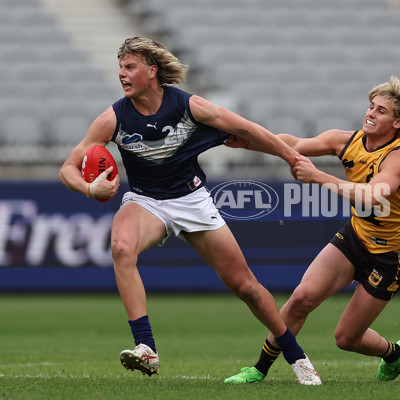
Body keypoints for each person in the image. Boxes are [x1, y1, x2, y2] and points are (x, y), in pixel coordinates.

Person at [58, 36, 321, 385]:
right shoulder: (113, 118)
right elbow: (68, 168)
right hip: (145, 201)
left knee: (246, 287)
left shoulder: (189, 106)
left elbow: (247, 130)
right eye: (120, 67)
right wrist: (90, 188)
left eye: (130, 66)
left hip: (192, 201)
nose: (122, 74)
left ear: (152, 71)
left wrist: (292, 156)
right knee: (121, 248)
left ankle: (297, 357)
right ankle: (146, 348)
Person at [224, 76, 400, 384]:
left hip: (391, 257)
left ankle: (394, 353)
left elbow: (372, 194)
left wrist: (318, 176)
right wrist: (249, 140)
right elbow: (297, 145)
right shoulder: (344, 140)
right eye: (371, 106)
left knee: (346, 339)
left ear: (397, 122)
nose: (370, 113)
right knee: (301, 299)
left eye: (381, 111)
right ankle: (259, 369)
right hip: (356, 237)